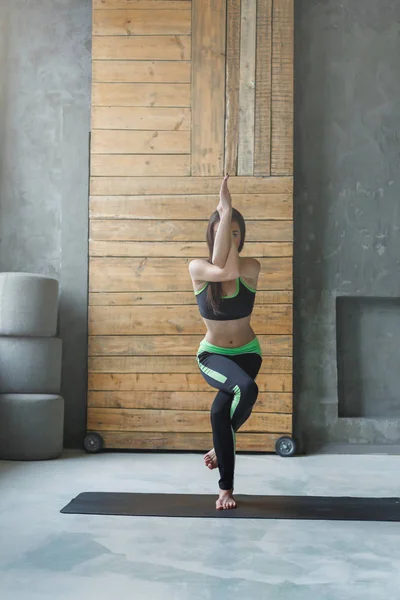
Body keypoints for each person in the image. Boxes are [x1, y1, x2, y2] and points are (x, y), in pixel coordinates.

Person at [188, 174, 262, 511]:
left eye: (236, 233)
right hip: (213, 355)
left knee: (221, 412)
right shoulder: (198, 268)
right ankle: (225, 490)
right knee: (244, 391)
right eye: (223, 231)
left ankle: (222, 450)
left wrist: (227, 214)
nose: (231, 237)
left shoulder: (250, 266)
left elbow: (231, 269)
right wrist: (226, 212)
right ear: (212, 235)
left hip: (247, 353)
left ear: (243, 238)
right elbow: (222, 269)